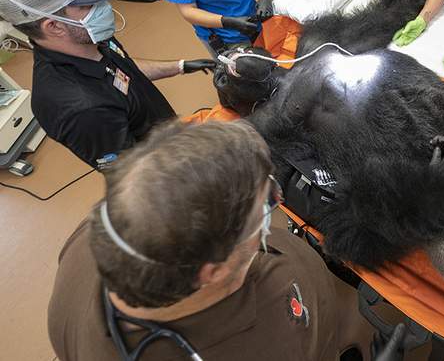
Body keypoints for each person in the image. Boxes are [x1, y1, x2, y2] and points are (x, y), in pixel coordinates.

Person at [48, 120, 379, 360]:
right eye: (266, 203)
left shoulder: (105, 233)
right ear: (212, 271)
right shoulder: (267, 343)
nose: (273, 204)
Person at [0, 0, 214, 169]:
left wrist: (181, 66)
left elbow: (124, 69)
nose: (103, 7)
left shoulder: (92, 40)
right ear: (54, 26)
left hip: (176, 143)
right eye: (87, 5)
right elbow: (133, 177)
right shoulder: (80, 109)